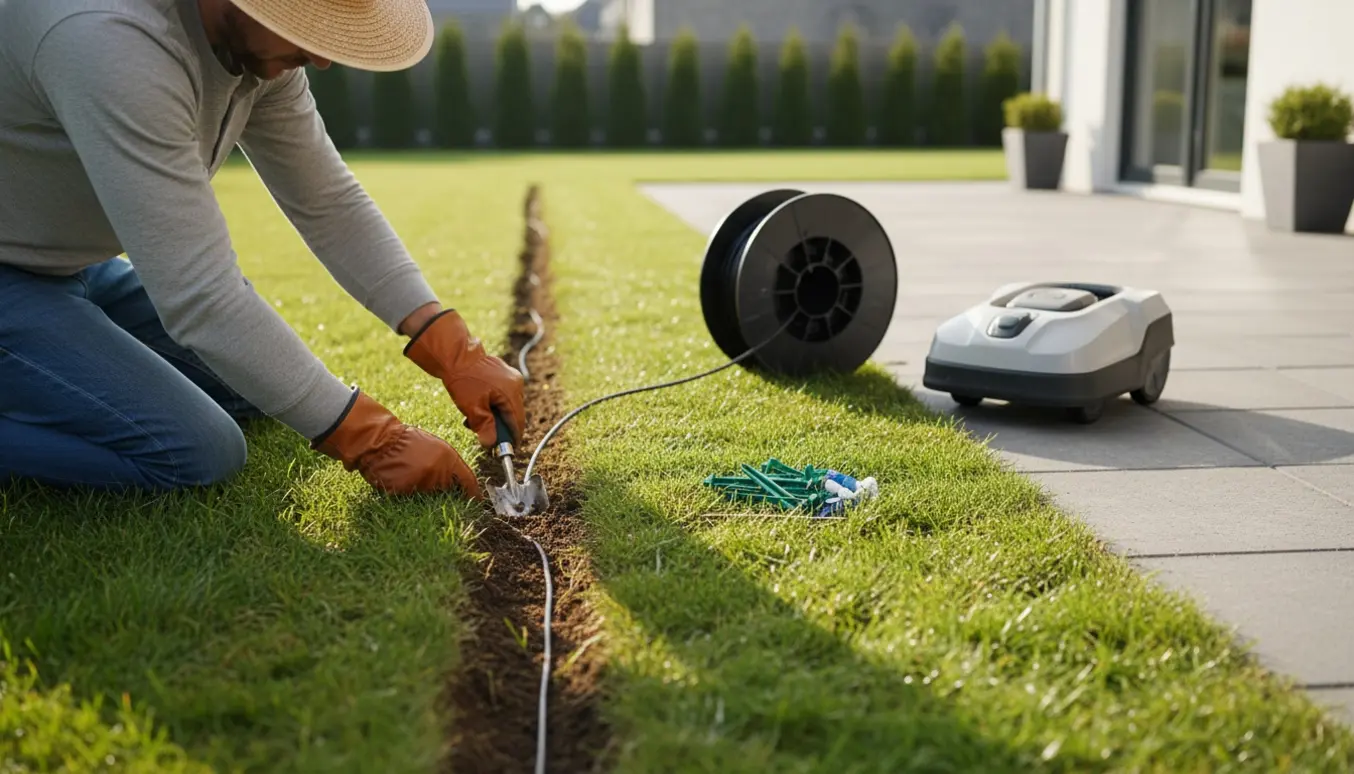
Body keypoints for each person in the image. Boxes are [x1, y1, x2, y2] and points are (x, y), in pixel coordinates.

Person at [0, 0, 525, 498]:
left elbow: (327, 201)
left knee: (249, 390)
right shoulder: (109, 38)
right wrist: (370, 438)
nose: (320, 55)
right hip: (9, 274)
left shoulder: (254, 45)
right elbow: (201, 299)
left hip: (75, 268)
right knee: (197, 449)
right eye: (306, 16)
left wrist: (452, 346)